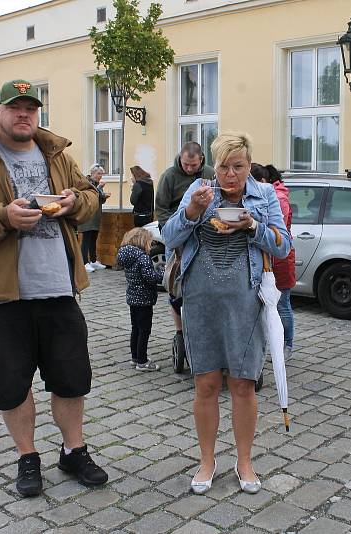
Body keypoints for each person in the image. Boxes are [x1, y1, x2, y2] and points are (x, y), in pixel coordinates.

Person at [0, 79, 109, 498]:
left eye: (31, 108)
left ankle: (73, 450)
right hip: (0, 298)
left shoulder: (57, 154)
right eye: (15, 108)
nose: (24, 114)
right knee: (11, 384)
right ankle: (27, 456)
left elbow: (89, 195)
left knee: (71, 379)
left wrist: (74, 203)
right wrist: (2, 217)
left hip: (58, 290)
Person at [161, 132, 291, 495]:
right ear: (212, 166)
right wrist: (191, 213)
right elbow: (169, 237)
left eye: (238, 166)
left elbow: (283, 246)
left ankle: (244, 461)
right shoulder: (199, 191)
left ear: (249, 165)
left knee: (243, 384)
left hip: (245, 303)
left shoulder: (264, 196)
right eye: (223, 167)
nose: (230, 174)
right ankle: (207, 460)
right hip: (201, 301)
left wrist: (252, 226)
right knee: (205, 383)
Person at [155, 142, 215, 362]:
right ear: (181, 158)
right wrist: (171, 232)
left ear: (201, 160)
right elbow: (160, 208)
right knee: (176, 282)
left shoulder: (209, 174)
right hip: (176, 229)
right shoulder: (169, 176)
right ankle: (180, 330)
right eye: (185, 164)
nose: (189, 168)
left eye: (193, 165)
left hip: (203, 230)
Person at [252, 163, 295, 358]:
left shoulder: (277, 198)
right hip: (267, 259)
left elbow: (278, 231)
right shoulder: (274, 193)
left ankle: (287, 345)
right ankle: (271, 343)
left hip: (279, 260)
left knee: (282, 304)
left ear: (262, 181)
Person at [117, 227, 163, 371]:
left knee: (135, 328)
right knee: (144, 330)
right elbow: (150, 277)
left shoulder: (127, 255)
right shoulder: (142, 257)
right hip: (144, 300)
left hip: (132, 298)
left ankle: (135, 356)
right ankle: (142, 362)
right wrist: (162, 273)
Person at [79, 164, 111, 273]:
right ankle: (84, 262)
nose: (100, 176)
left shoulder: (97, 185)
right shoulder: (86, 183)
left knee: (93, 238)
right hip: (88, 215)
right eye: (98, 173)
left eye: (101, 174)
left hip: (96, 216)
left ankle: (93, 260)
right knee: (86, 240)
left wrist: (103, 195)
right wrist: (99, 189)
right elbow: (89, 196)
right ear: (92, 173)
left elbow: (99, 200)